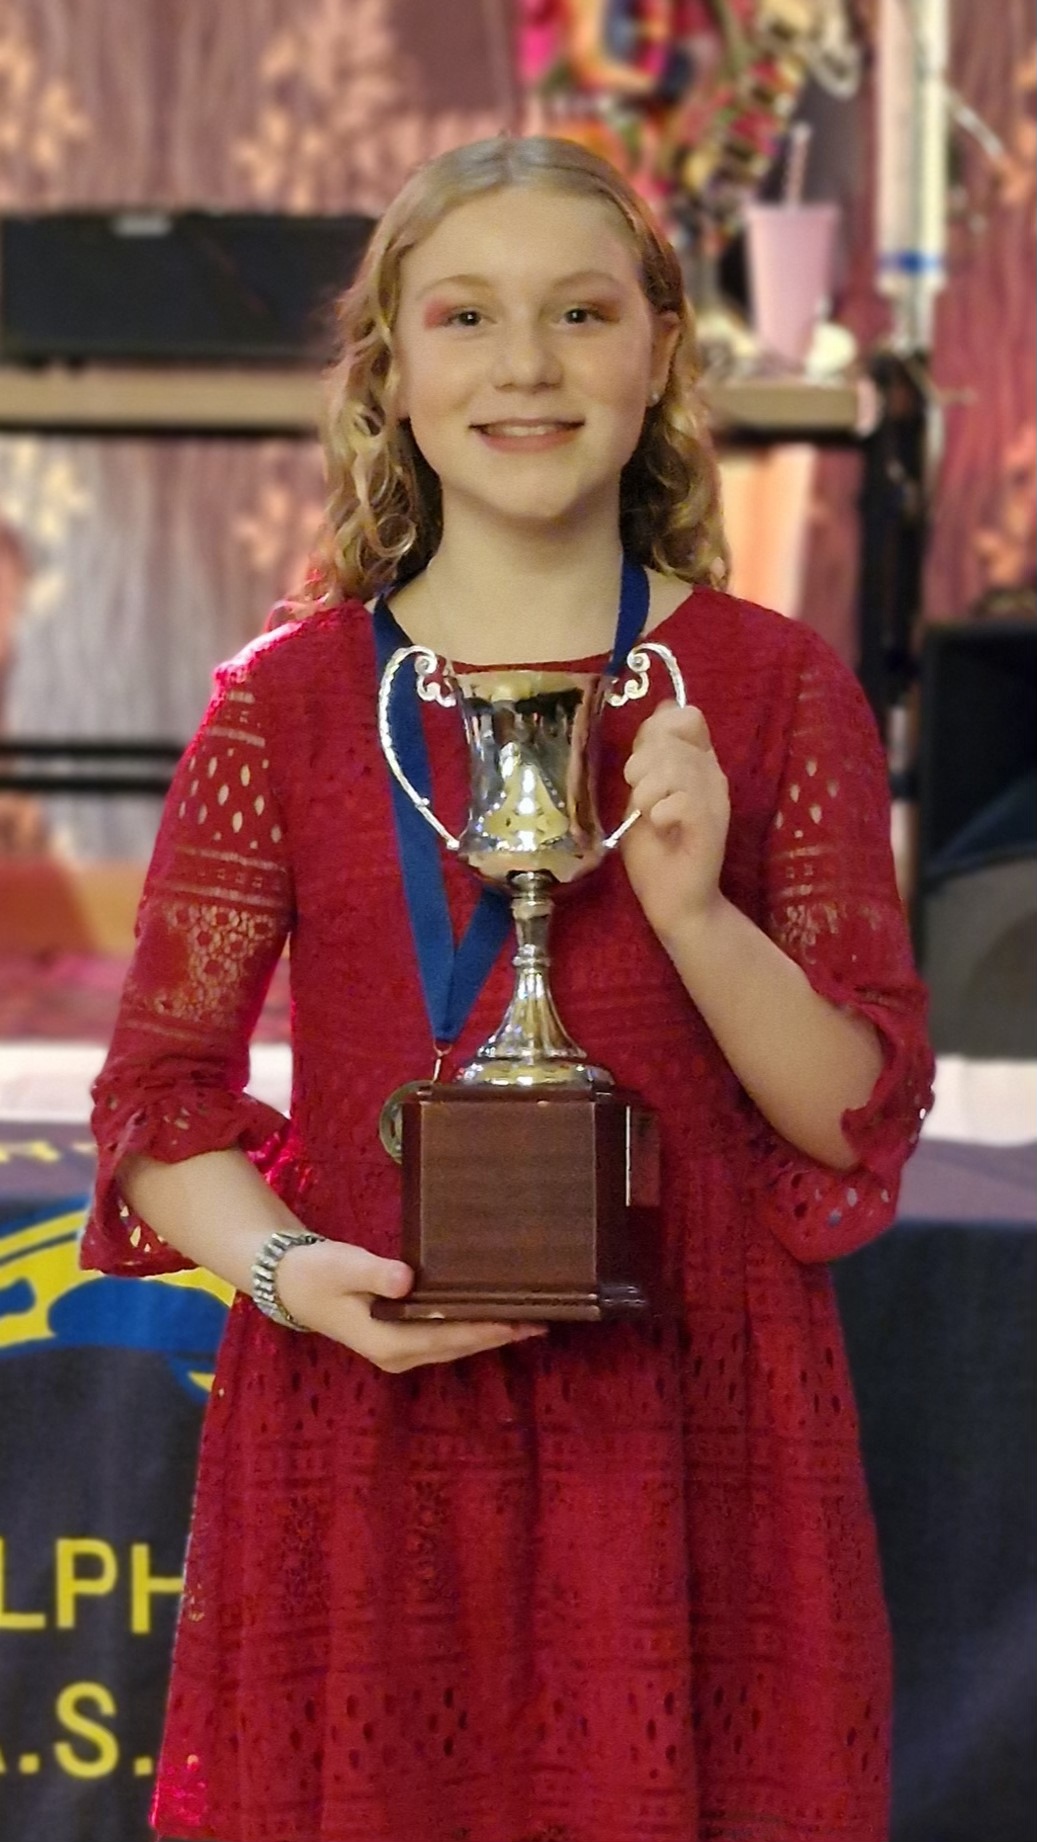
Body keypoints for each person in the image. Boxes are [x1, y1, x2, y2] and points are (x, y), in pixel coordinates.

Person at [82, 134, 934, 1842]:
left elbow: (853, 1111)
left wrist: (691, 913)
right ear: (391, 371)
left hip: (690, 1426)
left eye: (580, 313)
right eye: (465, 316)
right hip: (365, 1415)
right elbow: (157, 1107)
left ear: (660, 354)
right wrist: (294, 1276)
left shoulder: (775, 690)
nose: (525, 364)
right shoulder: (282, 705)